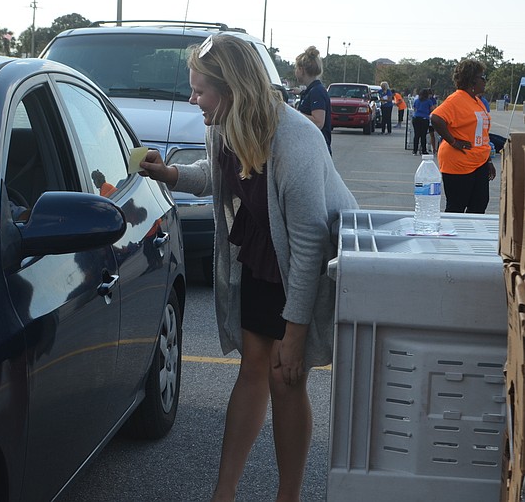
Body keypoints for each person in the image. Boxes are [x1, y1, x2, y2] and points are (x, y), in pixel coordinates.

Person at [137, 34, 357, 502]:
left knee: (286, 374)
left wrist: (295, 334)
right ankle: (224, 492)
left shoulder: (296, 140)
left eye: (199, 90)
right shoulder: (222, 125)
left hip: (307, 264)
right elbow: (217, 174)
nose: (192, 99)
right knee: (254, 367)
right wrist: (171, 174)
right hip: (262, 252)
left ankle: (288, 495)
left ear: (233, 88)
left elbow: (309, 243)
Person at [430, 59, 496, 213]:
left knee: (479, 204)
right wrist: (453, 142)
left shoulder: (477, 101)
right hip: (459, 162)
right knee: (457, 207)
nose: (485, 81)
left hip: (478, 161)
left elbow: (481, 133)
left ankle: (470, 235)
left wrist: (488, 160)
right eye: (482, 77)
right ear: (472, 80)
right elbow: (436, 118)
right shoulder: (457, 99)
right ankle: (451, 237)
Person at [293, 46, 332, 153]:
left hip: (317, 150)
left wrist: (294, 114)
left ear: (301, 70)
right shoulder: (312, 90)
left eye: (296, 68)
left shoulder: (317, 92)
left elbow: (319, 122)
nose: (295, 72)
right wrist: (301, 93)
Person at [411, 89, 435, 155]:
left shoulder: (417, 101)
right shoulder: (429, 101)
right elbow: (432, 109)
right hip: (424, 118)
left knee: (416, 135)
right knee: (423, 135)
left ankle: (414, 150)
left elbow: (415, 109)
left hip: (416, 118)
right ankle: (423, 150)